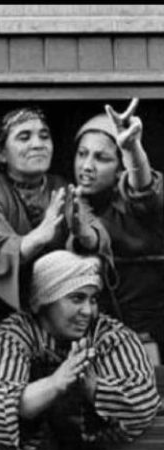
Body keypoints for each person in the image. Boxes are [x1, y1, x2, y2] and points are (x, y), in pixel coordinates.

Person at [0, 250, 160, 450]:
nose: (88, 311)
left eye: (93, 299)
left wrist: (93, 387)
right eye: (77, 299)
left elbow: (144, 404)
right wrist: (56, 383)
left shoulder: (110, 335)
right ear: (45, 301)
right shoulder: (14, 336)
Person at [0, 106, 111, 336]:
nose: (38, 144)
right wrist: (39, 235)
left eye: (44, 136)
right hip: (7, 314)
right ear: (1, 153)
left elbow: (97, 234)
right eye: (24, 137)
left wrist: (85, 234)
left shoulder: (61, 186)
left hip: (65, 315)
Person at [72, 98, 164, 364]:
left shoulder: (136, 204)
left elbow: (143, 191)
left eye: (101, 158)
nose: (87, 166)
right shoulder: (69, 200)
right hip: (87, 343)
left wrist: (132, 150)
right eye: (82, 154)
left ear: (120, 168)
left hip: (143, 342)